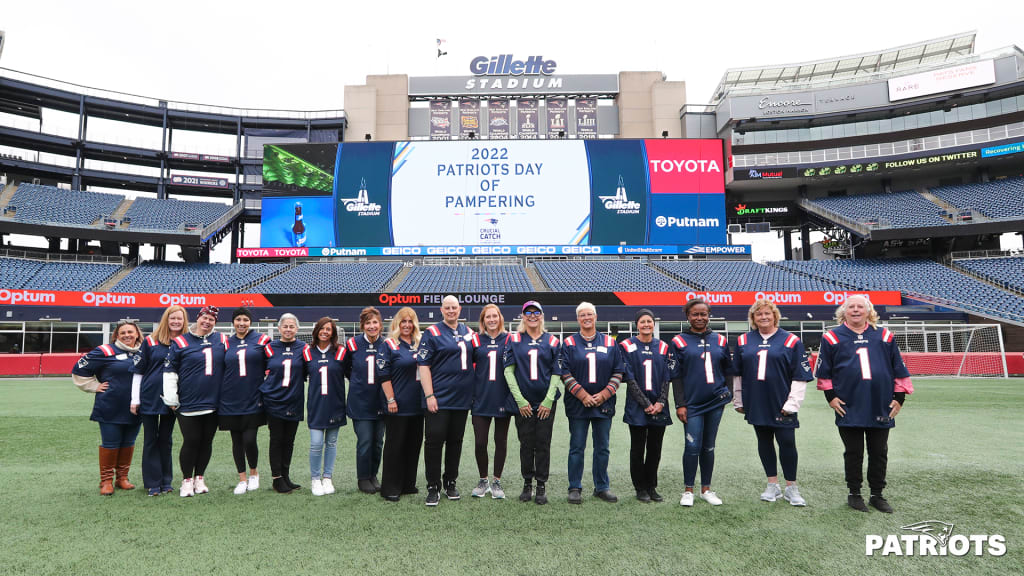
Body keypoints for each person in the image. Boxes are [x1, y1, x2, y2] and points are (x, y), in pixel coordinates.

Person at [815, 295, 913, 513]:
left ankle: (877, 494)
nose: (856, 310)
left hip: (880, 403)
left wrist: (899, 397)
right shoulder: (831, 337)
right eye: (852, 307)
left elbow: (898, 367)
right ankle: (854, 493)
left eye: (861, 306)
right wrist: (830, 396)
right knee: (853, 451)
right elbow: (824, 373)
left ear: (869, 311)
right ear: (844, 311)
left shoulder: (885, 335)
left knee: (879, 451)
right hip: (849, 404)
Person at [732, 299, 813, 506]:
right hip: (756, 400)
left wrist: (792, 403)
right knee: (764, 442)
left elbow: (800, 375)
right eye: (759, 314)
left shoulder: (791, 340)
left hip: (782, 401)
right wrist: (738, 399)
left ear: (775, 316)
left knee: (787, 442)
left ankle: (791, 488)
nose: (764, 317)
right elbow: (738, 374)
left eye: (767, 313)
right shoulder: (743, 341)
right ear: (753, 318)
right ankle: (772, 485)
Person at [670, 298, 733, 507]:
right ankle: (688, 490)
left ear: (709, 315)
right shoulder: (678, 341)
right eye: (695, 314)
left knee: (708, 447)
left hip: (715, 401)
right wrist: (680, 404)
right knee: (692, 445)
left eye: (703, 314)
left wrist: (728, 394)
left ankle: (706, 488)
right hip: (692, 403)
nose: (699, 318)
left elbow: (728, 370)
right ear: (688, 316)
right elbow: (676, 376)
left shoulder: (721, 340)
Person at [560, 302, 624, 504]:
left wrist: (605, 394)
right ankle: (575, 487)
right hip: (578, 404)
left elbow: (619, 371)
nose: (586, 318)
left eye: (590, 314)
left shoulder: (610, 343)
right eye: (582, 315)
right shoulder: (569, 343)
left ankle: (602, 486)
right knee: (577, 446)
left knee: (602, 447)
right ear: (578, 319)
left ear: (596, 317)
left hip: (603, 403)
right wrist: (582, 395)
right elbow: (564, 372)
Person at [163, 305, 229, 497]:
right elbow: (170, 370)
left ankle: (199, 477)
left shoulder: (222, 339)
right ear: (198, 319)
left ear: (215, 323)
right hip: (189, 401)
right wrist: (171, 397)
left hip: (214, 401)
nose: (206, 322)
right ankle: (186, 480)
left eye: (211, 319)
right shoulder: (182, 341)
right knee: (191, 441)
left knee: (206, 441)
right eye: (204, 318)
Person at [72, 320, 143, 495]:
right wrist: (94, 386)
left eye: (130, 332)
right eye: (123, 333)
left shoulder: (144, 351)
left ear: (137, 334)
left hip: (136, 407)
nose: (127, 335)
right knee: (110, 443)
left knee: (128, 442)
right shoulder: (105, 351)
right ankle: (106, 481)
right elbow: (78, 368)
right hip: (110, 406)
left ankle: (122, 478)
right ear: (116, 336)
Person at [417, 295, 476, 506]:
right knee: (434, 442)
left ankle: (451, 481)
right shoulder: (432, 333)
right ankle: (433, 486)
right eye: (447, 308)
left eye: (454, 307)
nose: (451, 311)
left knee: (455, 442)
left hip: (461, 400)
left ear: (460, 310)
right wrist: (429, 395)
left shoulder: (470, 333)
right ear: (441, 310)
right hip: (438, 399)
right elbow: (423, 365)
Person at [503, 300, 560, 505]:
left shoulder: (552, 341)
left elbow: (556, 373)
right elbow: (508, 371)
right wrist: (520, 400)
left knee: (543, 443)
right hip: (523, 403)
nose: (532, 315)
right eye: (528, 312)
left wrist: (548, 399)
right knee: (526, 443)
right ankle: (527, 483)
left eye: (536, 312)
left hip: (546, 402)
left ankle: (541, 485)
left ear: (542, 316)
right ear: (523, 316)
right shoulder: (514, 339)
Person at [131, 305, 186, 496]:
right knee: (150, 440)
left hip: (172, 398)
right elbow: (138, 372)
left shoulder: (185, 342)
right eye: (173, 318)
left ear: (184, 321)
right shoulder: (150, 341)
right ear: (166, 320)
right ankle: (152, 482)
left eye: (179, 318)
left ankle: (166, 481)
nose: (176, 322)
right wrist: (134, 399)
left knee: (166, 439)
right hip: (149, 396)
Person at [619, 309, 673, 503]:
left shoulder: (663, 347)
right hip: (637, 407)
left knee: (655, 449)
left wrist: (660, 402)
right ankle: (639, 487)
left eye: (649, 321)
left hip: (659, 406)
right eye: (642, 322)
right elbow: (629, 378)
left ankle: (651, 486)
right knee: (637, 448)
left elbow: (667, 377)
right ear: (637, 325)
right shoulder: (626, 345)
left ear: (654, 324)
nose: (646, 325)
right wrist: (645, 403)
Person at [219, 307, 270, 495]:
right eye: (238, 319)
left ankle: (254, 473)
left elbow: (272, 365)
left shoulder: (262, 340)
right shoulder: (225, 343)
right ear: (233, 322)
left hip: (253, 397)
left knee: (249, 439)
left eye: (245, 320)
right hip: (230, 398)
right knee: (236, 440)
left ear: (250, 322)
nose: (242, 323)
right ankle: (241, 478)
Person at [378, 307, 425, 502]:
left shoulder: (420, 344)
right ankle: (390, 487)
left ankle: (407, 483)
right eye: (403, 321)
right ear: (397, 323)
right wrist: (390, 399)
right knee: (394, 446)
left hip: (418, 405)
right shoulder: (389, 345)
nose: (407, 325)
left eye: (410, 321)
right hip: (397, 405)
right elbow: (383, 374)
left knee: (413, 445)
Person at [260, 313, 309, 494]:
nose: (288, 329)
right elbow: (259, 370)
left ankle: (286, 475)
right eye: (285, 326)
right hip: (274, 401)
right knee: (277, 440)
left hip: (294, 400)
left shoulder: (303, 348)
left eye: (292, 326)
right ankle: (276, 478)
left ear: (297, 329)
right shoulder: (269, 348)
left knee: (289, 441)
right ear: (279, 328)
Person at [342, 306, 387, 494]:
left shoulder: (386, 344)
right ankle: (363, 478)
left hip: (380, 401)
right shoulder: (352, 344)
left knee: (378, 442)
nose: (372, 326)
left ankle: (373, 475)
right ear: (362, 325)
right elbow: (345, 368)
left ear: (380, 325)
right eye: (368, 323)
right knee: (365, 441)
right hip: (360, 401)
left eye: (375, 322)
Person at [469, 303, 511, 499]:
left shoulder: (510, 339)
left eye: (495, 316)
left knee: (500, 441)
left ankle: (496, 481)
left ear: (500, 318)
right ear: (483, 320)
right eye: (488, 317)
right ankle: (483, 479)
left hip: (502, 397)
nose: (492, 320)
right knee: (480, 442)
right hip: (480, 399)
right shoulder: (475, 340)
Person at [306, 317, 347, 496]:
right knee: (316, 443)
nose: (325, 332)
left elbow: (355, 374)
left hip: (335, 404)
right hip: (316, 404)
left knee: (331, 443)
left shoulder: (341, 352)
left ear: (333, 332)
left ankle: (327, 477)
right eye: (322, 328)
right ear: (316, 331)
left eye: (328, 329)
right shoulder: (308, 352)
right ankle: (315, 479)